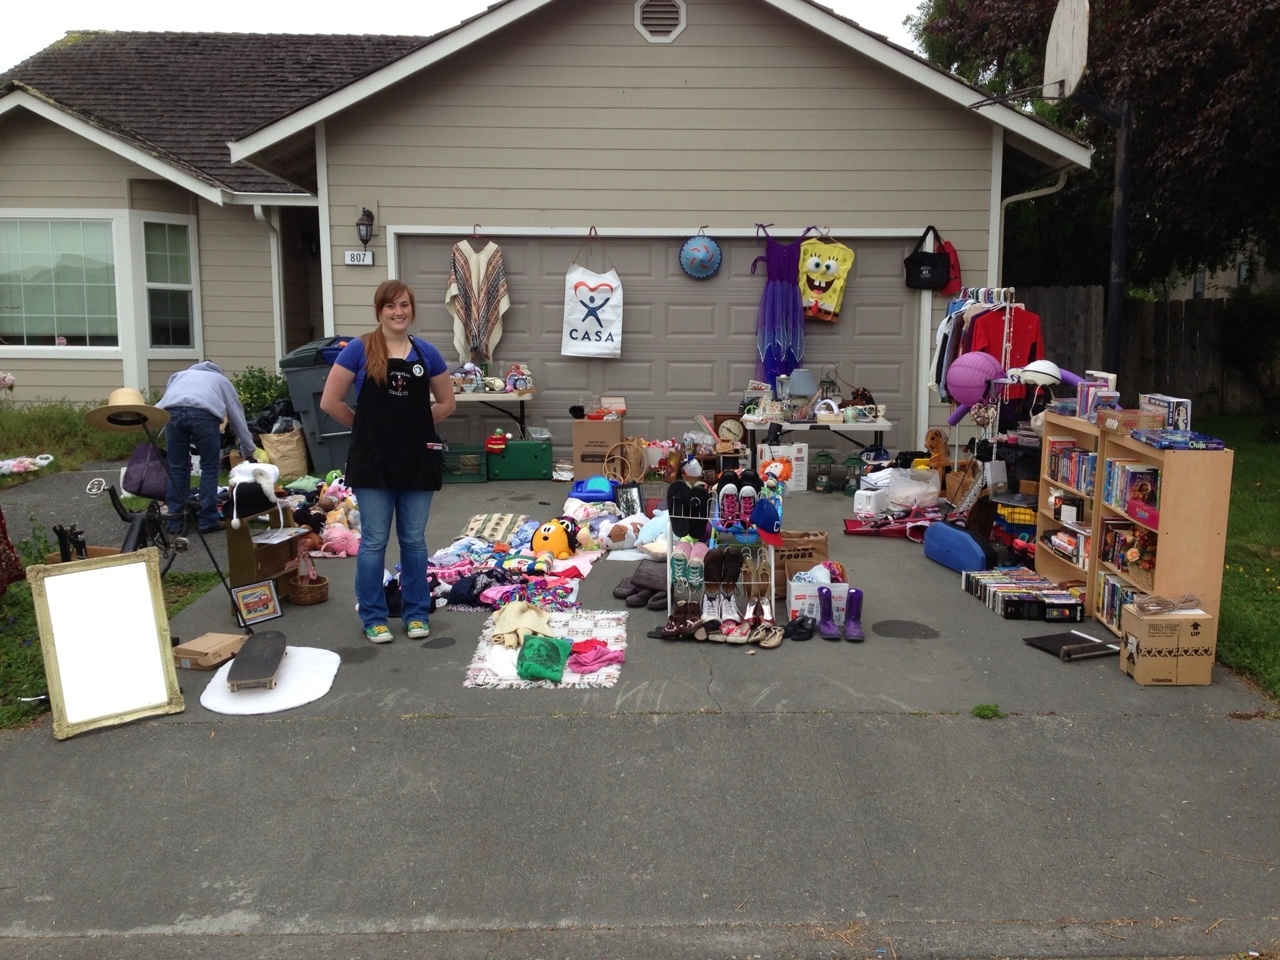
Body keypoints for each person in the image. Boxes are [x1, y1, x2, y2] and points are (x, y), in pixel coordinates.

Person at [320, 279, 456, 643]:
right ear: (379, 311)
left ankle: (415, 613)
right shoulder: (359, 350)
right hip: (373, 460)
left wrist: (415, 428)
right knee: (374, 541)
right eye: (390, 306)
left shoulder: (427, 354)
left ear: (412, 310)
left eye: (404, 306)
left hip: (416, 460)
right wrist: (367, 428)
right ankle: (373, 616)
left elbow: (446, 403)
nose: (398, 312)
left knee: (413, 540)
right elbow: (330, 402)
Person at [156, 361, 257, 534]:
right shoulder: (220, 380)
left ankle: (175, 522)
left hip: (171, 413)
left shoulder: (179, 376)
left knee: (177, 468)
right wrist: (248, 450)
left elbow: (166, 401)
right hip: (203, 414)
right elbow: (236, 415)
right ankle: (207, 520)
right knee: (209, 467)